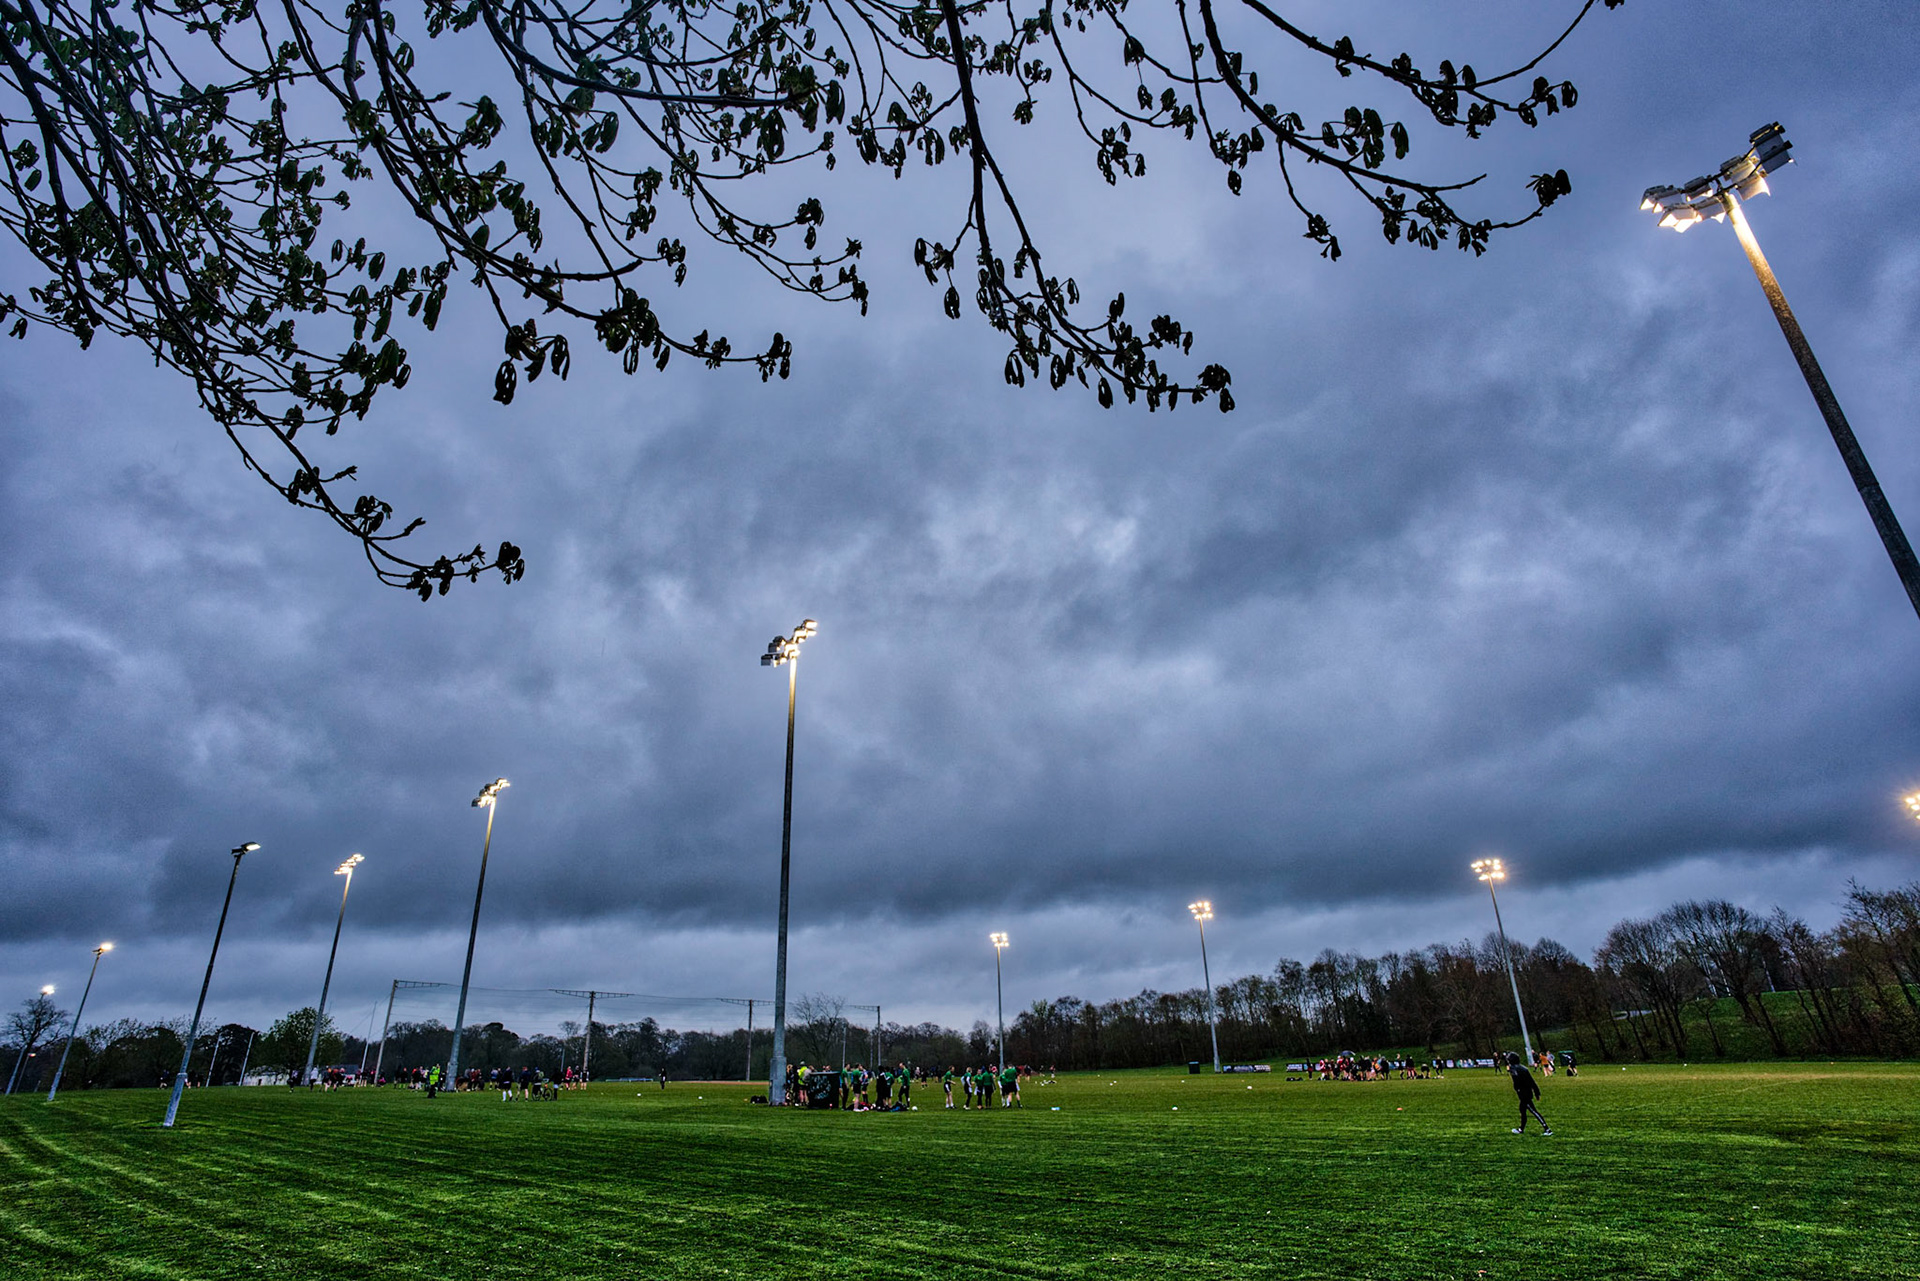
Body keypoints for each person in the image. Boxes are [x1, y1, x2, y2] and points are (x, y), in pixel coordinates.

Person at [1506, 1052, 1551, 1136]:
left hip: (1523, 1094)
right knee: (1522, 1110)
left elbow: (1517, 1081)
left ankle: (1547, 1129)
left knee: (1533, 1111)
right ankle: (1521, 1129)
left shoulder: (1514, 1068)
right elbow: (1532, 1082)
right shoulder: (1524, 1068)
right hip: (1527, 1092)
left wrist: (1518, 1089)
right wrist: (1537, 1092)